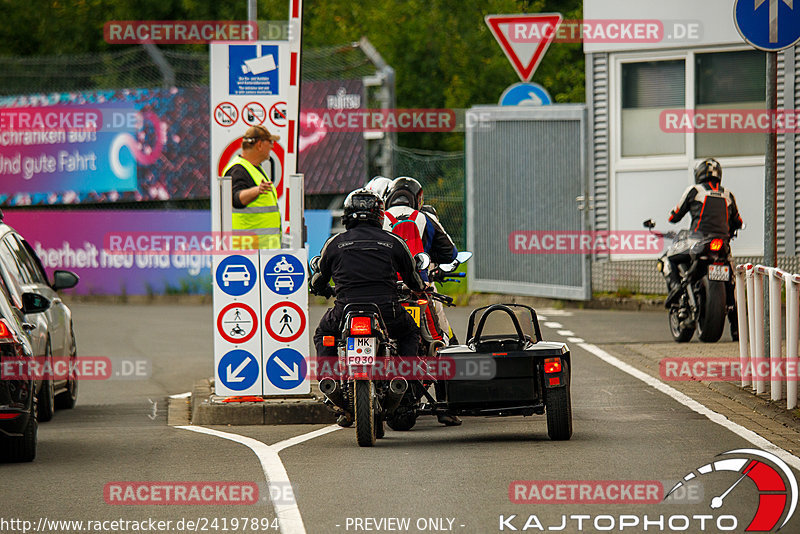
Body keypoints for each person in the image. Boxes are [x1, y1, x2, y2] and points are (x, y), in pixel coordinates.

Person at [311, 187, 424, 385]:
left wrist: (322, 289)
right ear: (380, 215)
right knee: (410, 333)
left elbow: (318, 279)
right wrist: (419, 287)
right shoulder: (394, 241)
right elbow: (413, 277)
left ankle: (330, 380)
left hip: (344, 311)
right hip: (387, 312)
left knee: (324, 333)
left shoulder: (335, 243)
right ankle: (406, 380)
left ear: (346, 215)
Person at [382, 177, 461, 426]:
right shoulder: (424, 218)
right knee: (443, 342)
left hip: (386, 292)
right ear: (418, 197)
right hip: (420, 292)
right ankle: (446, 408)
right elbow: (451, 253)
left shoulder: (379, 219)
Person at [666, 158, 743, 339]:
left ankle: (678, 292)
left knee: (670, 256)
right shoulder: (728, 194)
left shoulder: (695, 191)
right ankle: (736, 328)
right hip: (722, 245)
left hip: (697, 242)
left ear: (699, 174)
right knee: (732, 283)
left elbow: (675, 216)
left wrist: (673, 215)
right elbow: (738, 222)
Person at [224, 125, 282, 249]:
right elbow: (236, 199)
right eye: (270, 142)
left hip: (263, 249)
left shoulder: (254, 168)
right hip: (249, 251)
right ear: (259, 145)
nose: (272, 146)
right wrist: (257, 190)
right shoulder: (238, 170)